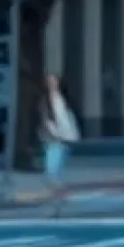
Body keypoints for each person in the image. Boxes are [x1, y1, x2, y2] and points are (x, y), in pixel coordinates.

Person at [39, 73, 80, 211]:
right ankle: (57, 195)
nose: (52, 84)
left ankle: (58, 196)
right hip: (52, 138)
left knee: (58, 169)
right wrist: (53, 132)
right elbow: (45, 119)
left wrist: (73, 134)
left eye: (54, 81)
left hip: (67, 138)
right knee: (51, 170)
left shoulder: (65, 99)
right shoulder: (44, 100)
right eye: (49, 81)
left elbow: (71, 118)